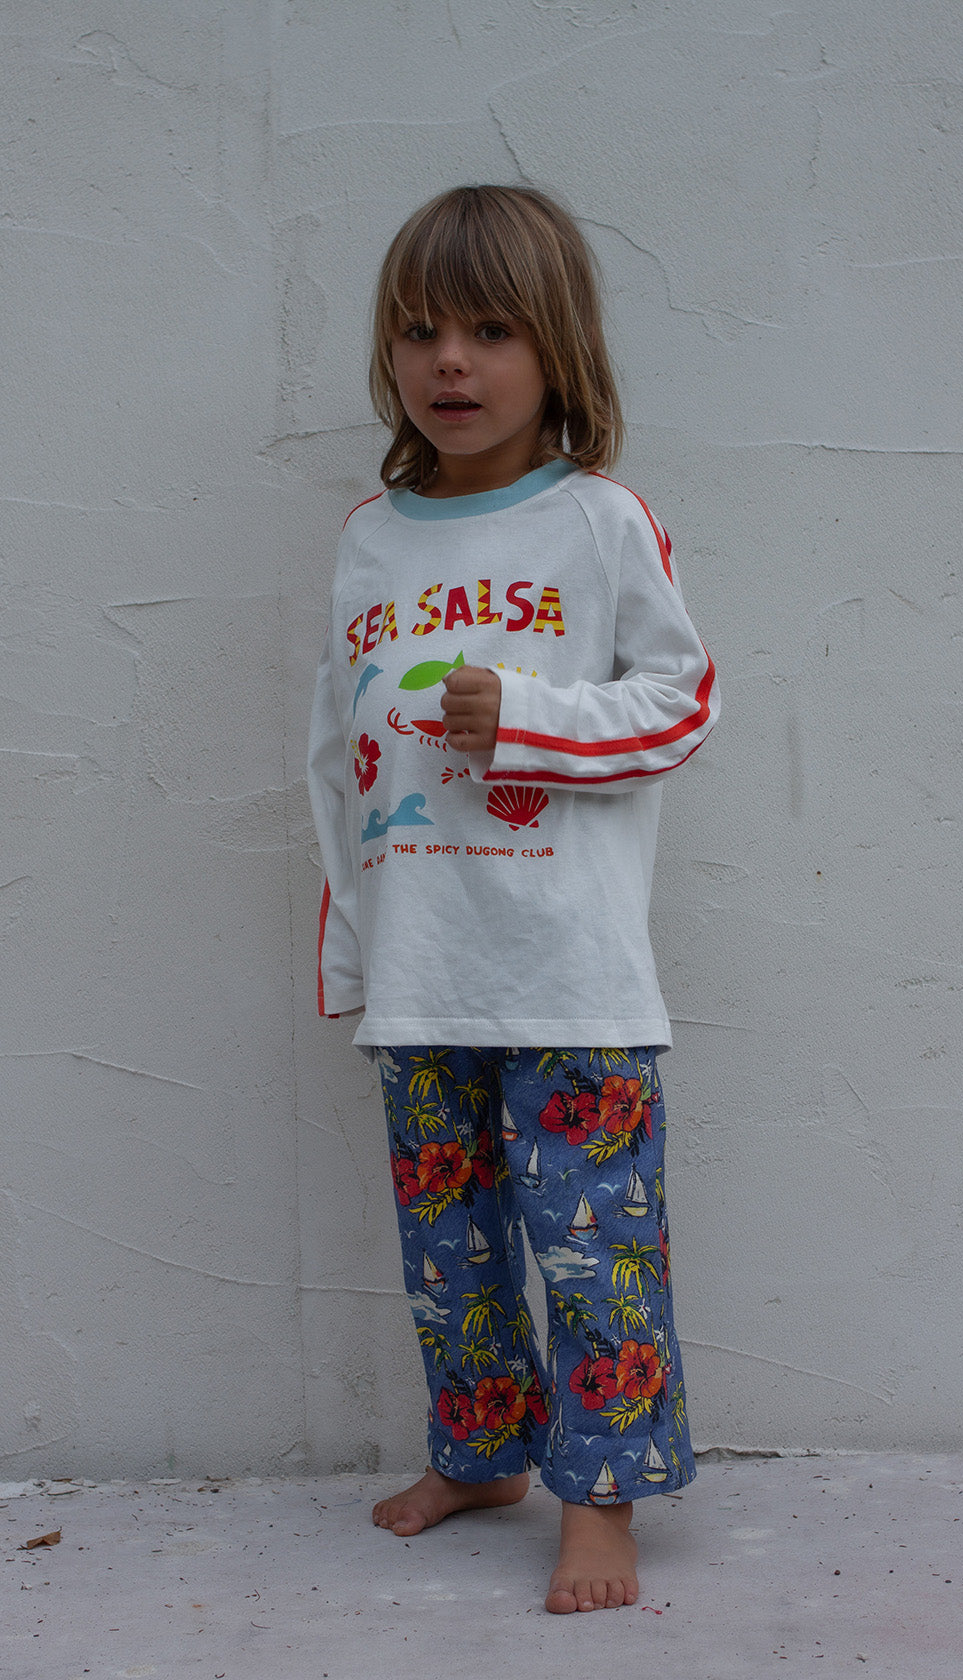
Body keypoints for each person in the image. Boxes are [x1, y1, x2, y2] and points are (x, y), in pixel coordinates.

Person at [307, 184, 719, 1614]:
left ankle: (599, 1492)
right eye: (420, 331)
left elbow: (681, 703)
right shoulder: (372, 536)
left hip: (569, 972)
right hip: (424, 965)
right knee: (451, 1243)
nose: (451, 365)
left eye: (490, 329)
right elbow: (335, 762)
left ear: (558, 350)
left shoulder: (602, 524)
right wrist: (353, 940)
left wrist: (531, 720)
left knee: (591, 1244)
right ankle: (480, 1449)